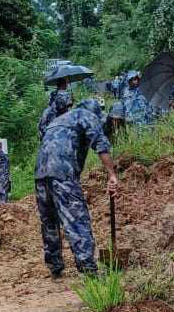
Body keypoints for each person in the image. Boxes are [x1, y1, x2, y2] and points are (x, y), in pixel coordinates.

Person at [34, 99, 120, 279]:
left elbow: (68, 150)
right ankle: (88, 268)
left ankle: (55, 267)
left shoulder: (59, 120)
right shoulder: (87, 115)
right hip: (62, 173)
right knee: (77, 219)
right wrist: (112, 174)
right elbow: (100, 144)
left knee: (49, 221)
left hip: (41, 173)